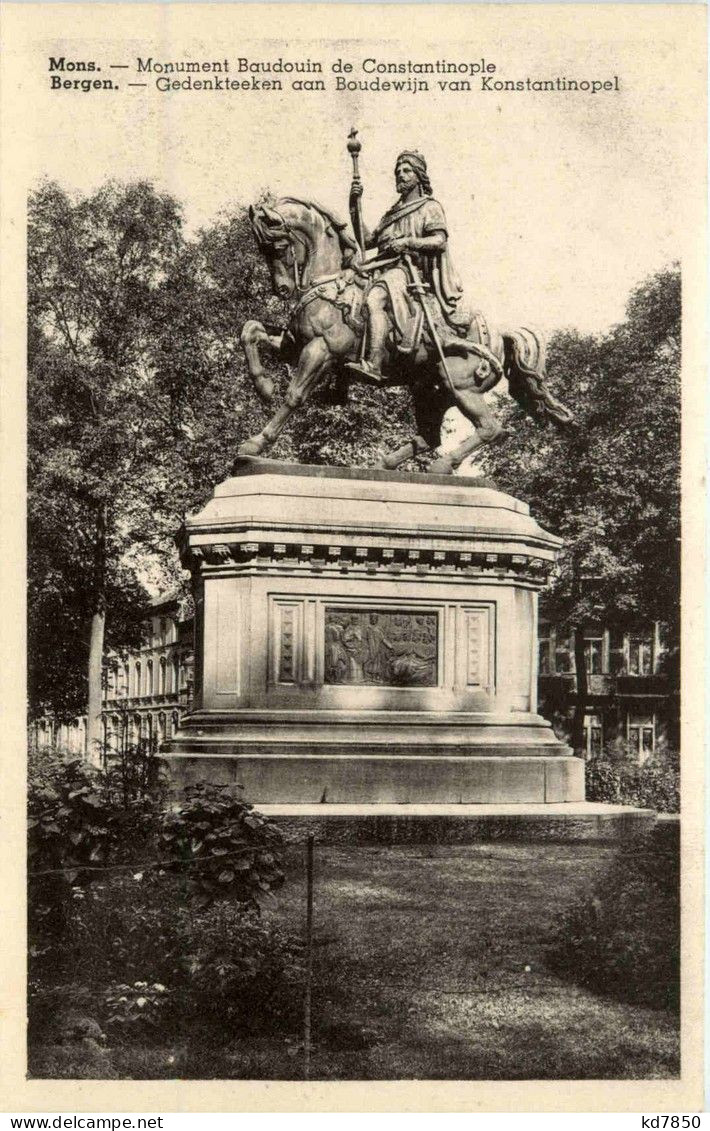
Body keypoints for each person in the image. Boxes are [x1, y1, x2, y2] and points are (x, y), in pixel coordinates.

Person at [346, 150, 470, 382]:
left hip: (408, 271)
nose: (400, 175)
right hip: (380, 268)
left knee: (375, 299)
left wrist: (407, 242)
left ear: (419, 175)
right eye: (397, 172)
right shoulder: (391, 214)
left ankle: (373, 363)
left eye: (406, 171)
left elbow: (439, 240)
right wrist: (354, 205)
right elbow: (368, 241)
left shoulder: (429, 207)